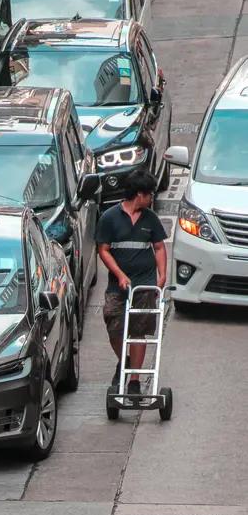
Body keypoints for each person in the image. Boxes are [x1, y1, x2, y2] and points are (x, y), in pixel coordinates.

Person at [96, 169, 167, 395]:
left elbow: (159, 247)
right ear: (139, 194)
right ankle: (124, 360)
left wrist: (162, 275)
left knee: (138, 332)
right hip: (118, 286)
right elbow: (103, 250)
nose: (151, 198)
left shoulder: (151, 219)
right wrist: (119, 274)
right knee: (114, 327)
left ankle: (134, 381)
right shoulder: (109, 218)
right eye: (149, 194)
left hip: (145, 284)